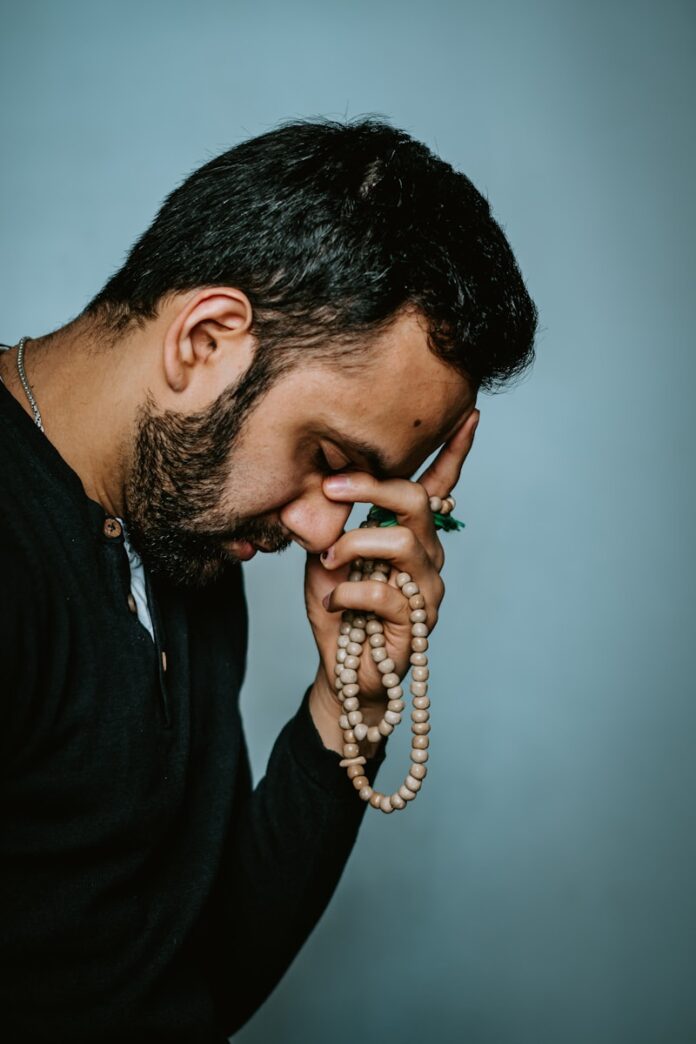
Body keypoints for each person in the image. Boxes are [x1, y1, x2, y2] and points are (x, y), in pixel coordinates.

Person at [0, 116, 537, 1042]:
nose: (324, 532)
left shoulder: (183, 539)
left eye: (359, 491)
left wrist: (348, 703)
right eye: (326, 458)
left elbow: (186, 979)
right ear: (206, 339)